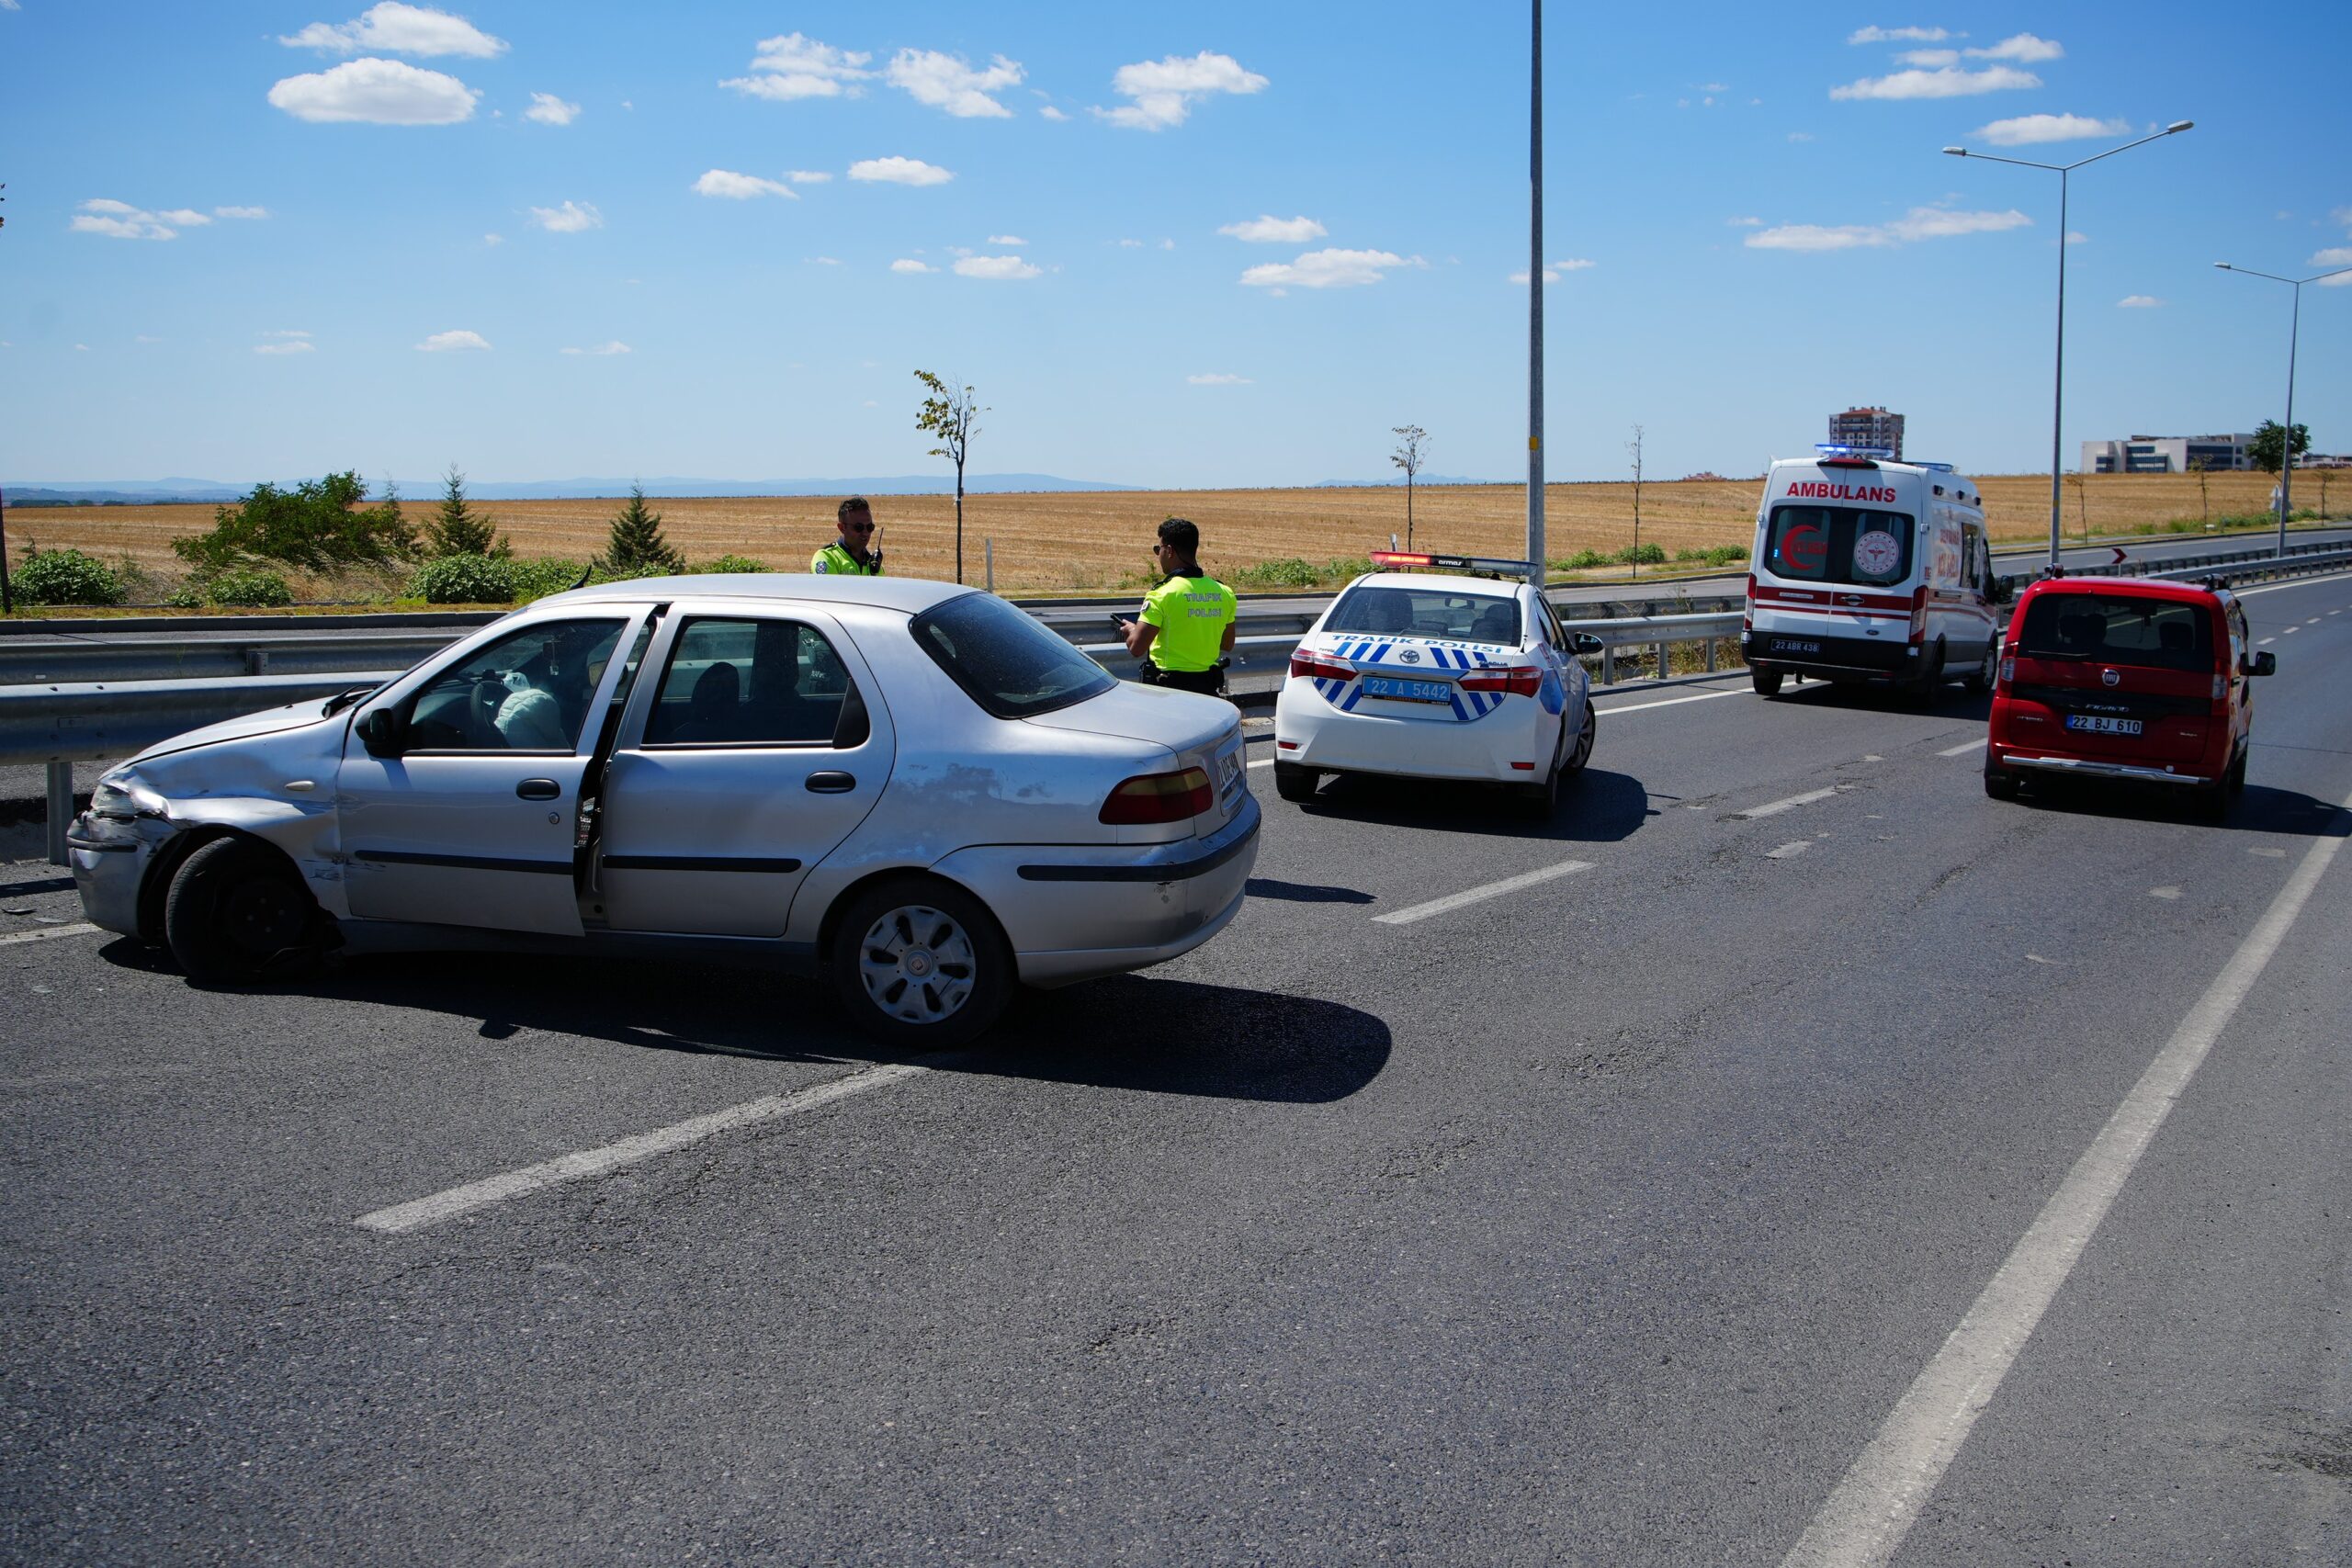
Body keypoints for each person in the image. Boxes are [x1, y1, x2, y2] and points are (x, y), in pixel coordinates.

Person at [1121, 517, 1238, 695]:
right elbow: (1227, 644)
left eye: (1157, 549)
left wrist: (1131, 630)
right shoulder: (1224, 592)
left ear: (1169, 551)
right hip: (1207, 688)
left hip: (1169, 691)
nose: (1158, 555)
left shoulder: (1162, 594)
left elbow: (1137, 647)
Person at [811, 497, 883, 576]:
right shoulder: (827, 558)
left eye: (870, 527)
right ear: (842, 528)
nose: (865, 533)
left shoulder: (874, 566)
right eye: (859, 527)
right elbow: (827, 587)